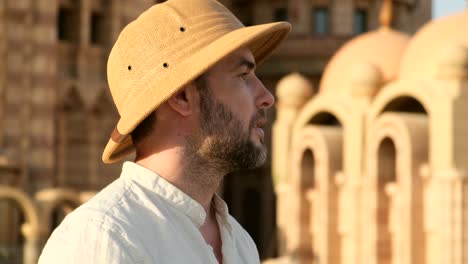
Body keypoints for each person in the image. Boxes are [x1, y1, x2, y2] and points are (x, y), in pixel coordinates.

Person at [39, 0, 290, 263]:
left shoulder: (240, 243)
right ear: (182, 96)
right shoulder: (104, 239)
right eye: (242, 75)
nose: (267, 97)